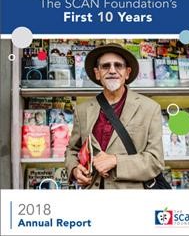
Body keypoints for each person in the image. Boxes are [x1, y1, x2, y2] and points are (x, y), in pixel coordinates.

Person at [65, 43, 165, 189]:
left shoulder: (149, 108)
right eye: (105, 66)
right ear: (97, 73)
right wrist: (74, 169)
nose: (112, 70)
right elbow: (73, 149)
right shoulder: (82, 110)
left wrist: (115, 160)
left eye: (118, 65)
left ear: (127, 72)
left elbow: (155, 161)